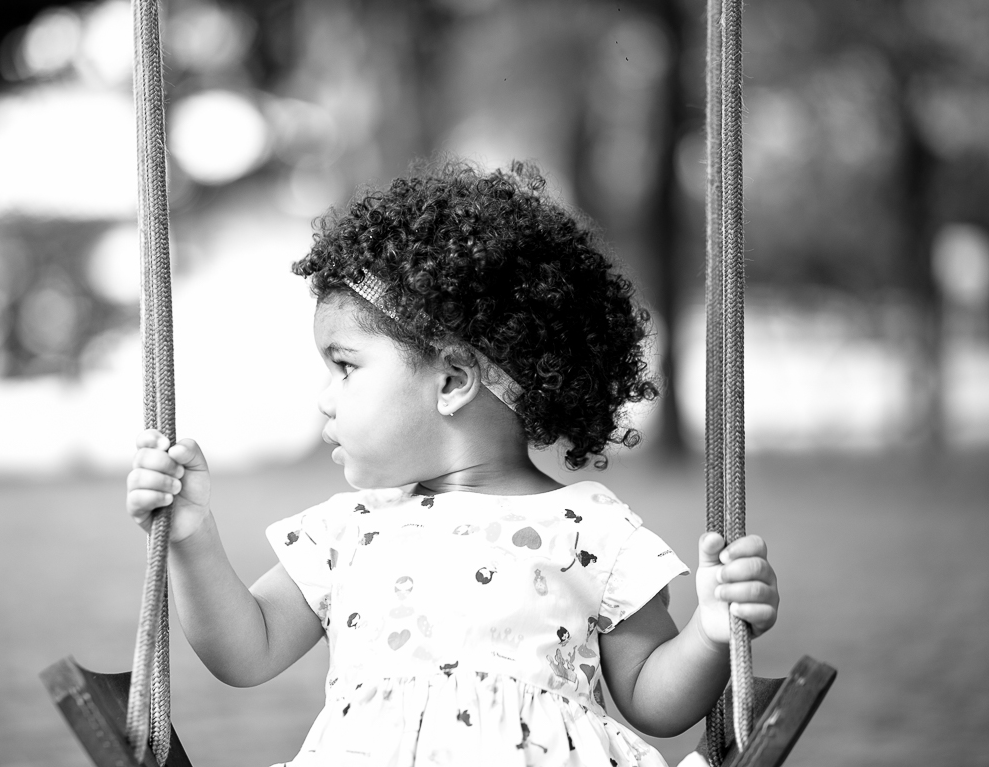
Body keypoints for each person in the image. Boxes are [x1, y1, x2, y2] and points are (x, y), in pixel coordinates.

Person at [125, 159, 779, 767]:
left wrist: (712, 634)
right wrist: (190, 537)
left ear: (452, 380)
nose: (324, 398)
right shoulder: (346, 530)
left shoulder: (590, 529)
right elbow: (246, 650)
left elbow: (652, 700)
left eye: (345, 366)